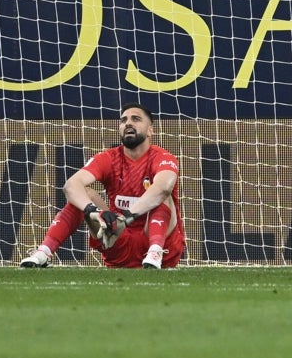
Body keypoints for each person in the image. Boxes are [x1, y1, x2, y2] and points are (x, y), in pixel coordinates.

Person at [21, 103, 186, 269]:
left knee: (161, 196)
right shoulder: (109, 157)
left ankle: (155, 252)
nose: (128, 123)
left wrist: (126, 217)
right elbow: (71, 185)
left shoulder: (163, 157)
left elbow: (164, 187)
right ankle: (44, 252)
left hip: (159, 245)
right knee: (84, 194)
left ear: (151, 130)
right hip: (117, 240)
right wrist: (93, 211)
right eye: (123, 120)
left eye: (136, 119)